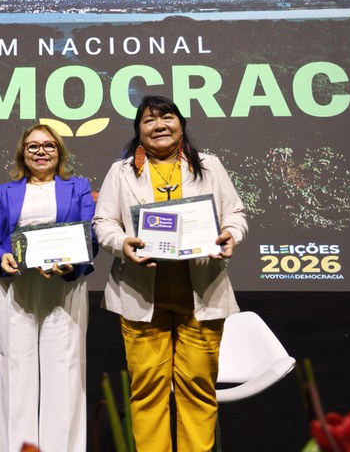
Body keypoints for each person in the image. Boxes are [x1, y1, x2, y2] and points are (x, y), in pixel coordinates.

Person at [93, 95, 248, 451]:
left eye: (167, 117)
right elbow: (103, 223)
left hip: (202, 294)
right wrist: (122, 244)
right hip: (141, 296)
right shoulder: (121, 171)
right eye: (149, 120)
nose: (159, 125)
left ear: (181, 124)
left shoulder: (209, 165)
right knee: (147, 389)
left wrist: (230, 235)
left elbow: (235, 214)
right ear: (138, 131)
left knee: (198, 387)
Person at [0, 124, 96, 452]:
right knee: (18, 377)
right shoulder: (6, 192)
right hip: (17, 290)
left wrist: (71, 265)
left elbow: (90, 237)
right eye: (33, 146)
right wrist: (1, 257)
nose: (40, 151)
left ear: (59, 152)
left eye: (48, 145)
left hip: (64, 287)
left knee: (65, 375)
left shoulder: (79, 187)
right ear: (23, 153)